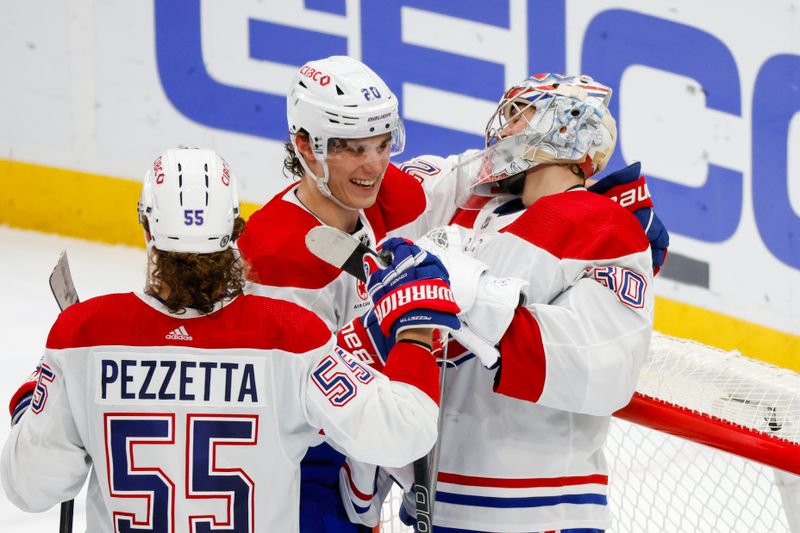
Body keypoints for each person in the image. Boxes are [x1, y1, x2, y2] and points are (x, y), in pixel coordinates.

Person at [0, 147, 460, 533]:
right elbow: (405, 435)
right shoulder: (291, 335)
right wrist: (416, 327)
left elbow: (30, 488)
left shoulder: (84, 334)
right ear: (237, 231)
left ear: (146, 229)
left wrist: (39, 409)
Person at [346, 73, 661, 532]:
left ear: (567, 126)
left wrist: (467, 294)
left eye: (521, 115)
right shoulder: (477, 212)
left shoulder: (603, 223)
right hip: (436, 500)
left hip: (537, 508)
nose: (504, 129)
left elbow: (604, 363)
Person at [237, 55, 467, 533]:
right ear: (305, 146)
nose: (375, 165)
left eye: (384, 145)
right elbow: (293, 398)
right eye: (354, 149)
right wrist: (383, 336)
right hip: (297, 469)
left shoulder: (379, 193)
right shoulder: (278, 256)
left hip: (356, 443)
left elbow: (461, 181)